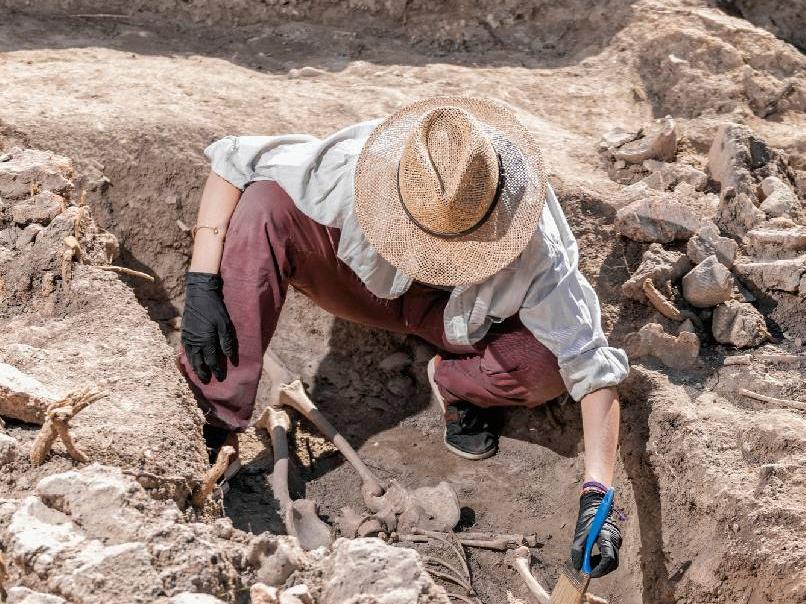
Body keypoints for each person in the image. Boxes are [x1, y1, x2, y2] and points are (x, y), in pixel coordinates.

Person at [179, 96, 626, 577]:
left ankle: (456, 384)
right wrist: (202, 281)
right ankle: (213, 424)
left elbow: (591, 364)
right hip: (360, 287)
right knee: (265, 206)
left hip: (460, 319)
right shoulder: (357, 164)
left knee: (543, 365)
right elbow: (231, 160)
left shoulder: (536, 243)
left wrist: (597, 497)